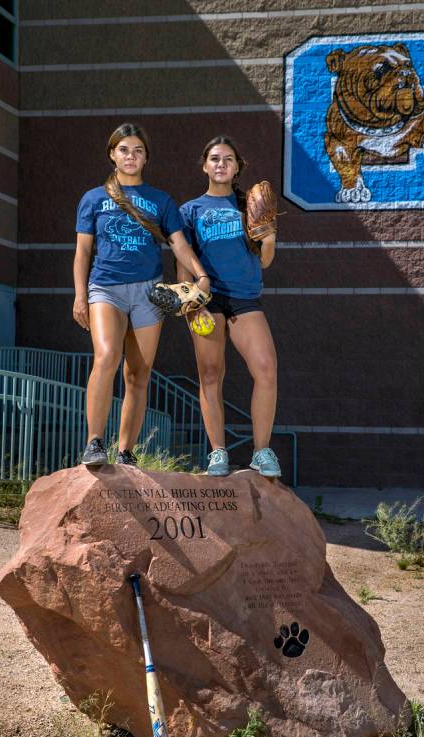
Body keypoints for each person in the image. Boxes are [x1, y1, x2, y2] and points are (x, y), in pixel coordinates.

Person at [73, 122, 210, 467]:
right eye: (123, 150)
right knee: (106, 357)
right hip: (106, 287)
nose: (130, 156)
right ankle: (94, 443)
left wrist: (201, 275)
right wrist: (79, 295)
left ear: (146, 157)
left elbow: (179, 243)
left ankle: (126, 451)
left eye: (137, 150)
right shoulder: (93, 199)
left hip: (149, 292)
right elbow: (82, 253)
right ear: (112, 155)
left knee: (138, 372)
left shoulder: (160, 200)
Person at [178, 135, 280, 478]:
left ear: (237, 167)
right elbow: (183, 265)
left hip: (244, 298)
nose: (221, 164)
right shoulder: (190, 211)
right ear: (205, 165)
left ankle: (262, 452)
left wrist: (269, 239)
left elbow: (265, 261)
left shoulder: (248, 205)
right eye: (215, 158)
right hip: (207, 300)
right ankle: (218, 453)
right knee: (210, 375)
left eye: (228, 159)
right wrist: (192, 304)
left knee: (265, 368)